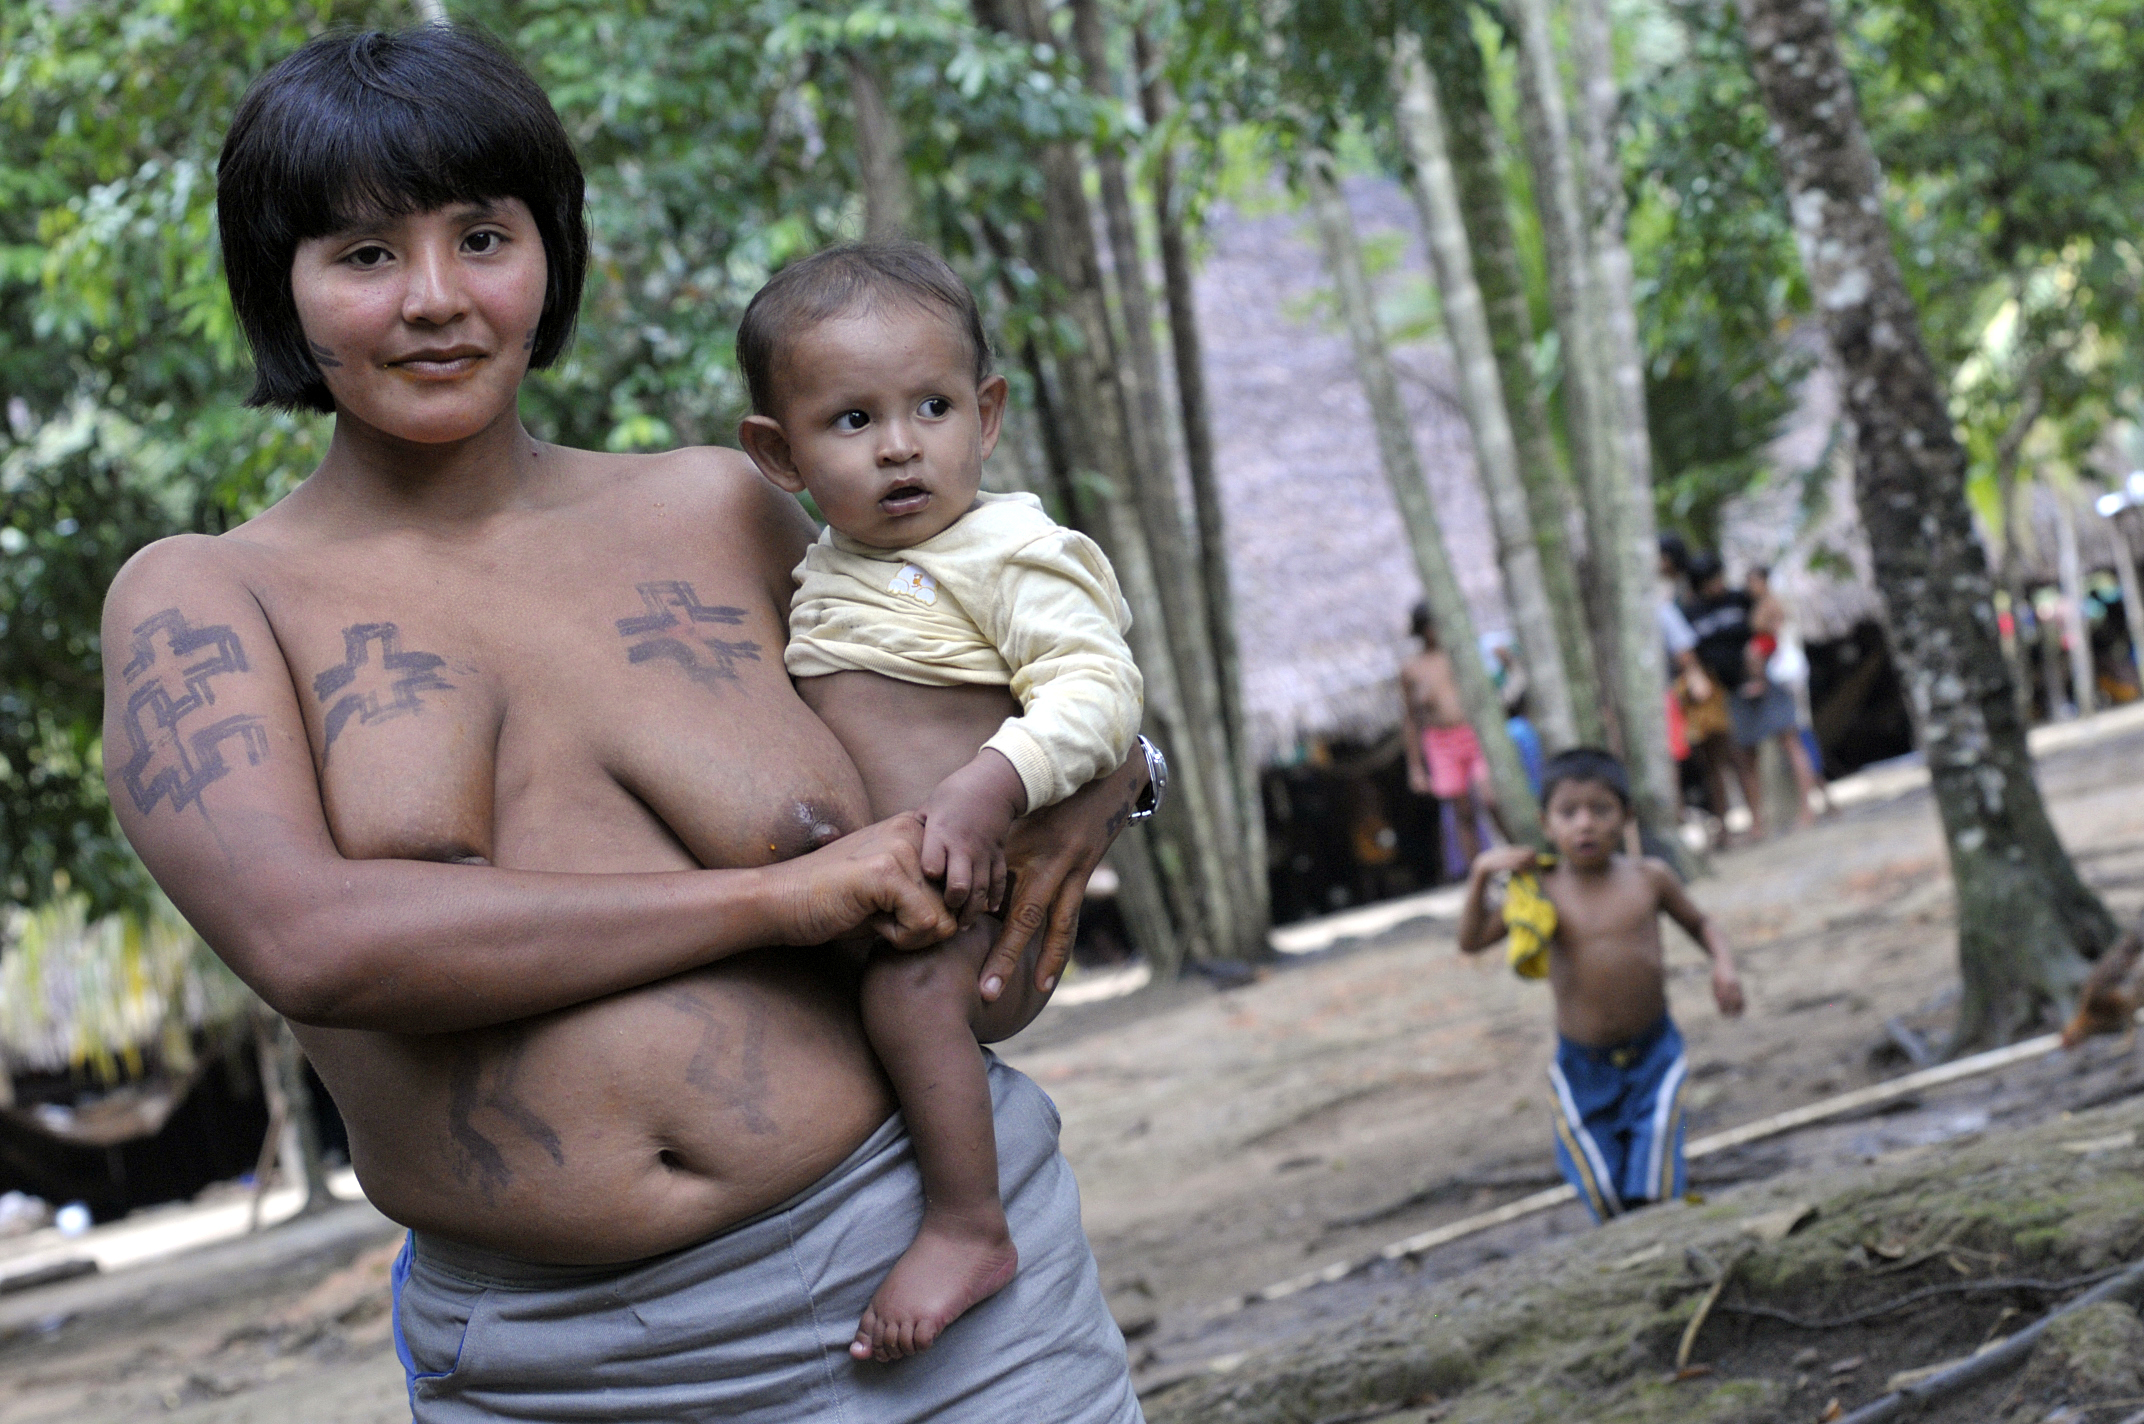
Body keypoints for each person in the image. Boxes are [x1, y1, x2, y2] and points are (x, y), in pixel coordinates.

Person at [105, 27, 1150, 1422]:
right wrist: (776, 898)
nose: (433, 300)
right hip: (571, 1365)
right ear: (279, 288)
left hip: (944, 1274)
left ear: (551, 254)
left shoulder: (718, 509)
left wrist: (1119, 774)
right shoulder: (206, 601)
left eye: (483, 237)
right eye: (362, 256)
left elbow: (968, 696)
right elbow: (315, 943)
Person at [733, 243, 1144, 1361]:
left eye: (931, 405)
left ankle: (970, 1224)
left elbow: (1101, 688)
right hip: (888, 897)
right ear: (779, 453)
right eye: (851, 421)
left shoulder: (1008, 546)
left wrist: (987, 784)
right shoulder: (825, 564)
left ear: (987, 413)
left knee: (908, 997)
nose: (901, 442)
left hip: (970, 912)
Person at [1454, 749, 1743, 1221]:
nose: (1584, 824)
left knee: (1657, 1189)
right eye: (1569, 812)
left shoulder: (1649, 878)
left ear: (1625, 816)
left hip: (1656, 1055)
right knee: (1605, 1193)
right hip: (1580, 1067)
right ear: (1546, 823)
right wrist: (1482, 874)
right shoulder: (1539, 889)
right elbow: (1471, 941)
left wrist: (1724, 966)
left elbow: (1701, 922)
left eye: (1600, 809)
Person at [1401, 602, 1494, 867]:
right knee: (1463, 811)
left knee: (1490, 797)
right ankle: (1480, 873)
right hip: (1440, 742)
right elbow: (1410, 720)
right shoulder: (1411, 669)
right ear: (1422, 630)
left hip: (1472, 734)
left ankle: (1517, 856)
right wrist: (1416, 768)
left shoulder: (1461, 655)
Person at [1681, 553, 1766, 841]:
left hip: (1744, 688)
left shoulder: (1740, 600)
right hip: (1711, 696)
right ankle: (1725, 827)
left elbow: (1765, 625)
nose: (1716, 586)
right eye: (1709, 582)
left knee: (1744, 758)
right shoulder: (1691, 612)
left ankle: (1757, 823)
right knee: (1714, 763)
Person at [1744, 566, 1825, 825]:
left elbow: (1773, 639)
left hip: (1779, 682)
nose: (1749, 586)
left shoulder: (1772, 607)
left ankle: (1808, 808)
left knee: (1794, 742)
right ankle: (1820, 801)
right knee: (1795, 740)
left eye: (1753, 581)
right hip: (1777, 680)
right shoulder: (1765, 605)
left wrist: (1760, 676)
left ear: (1763, 580)